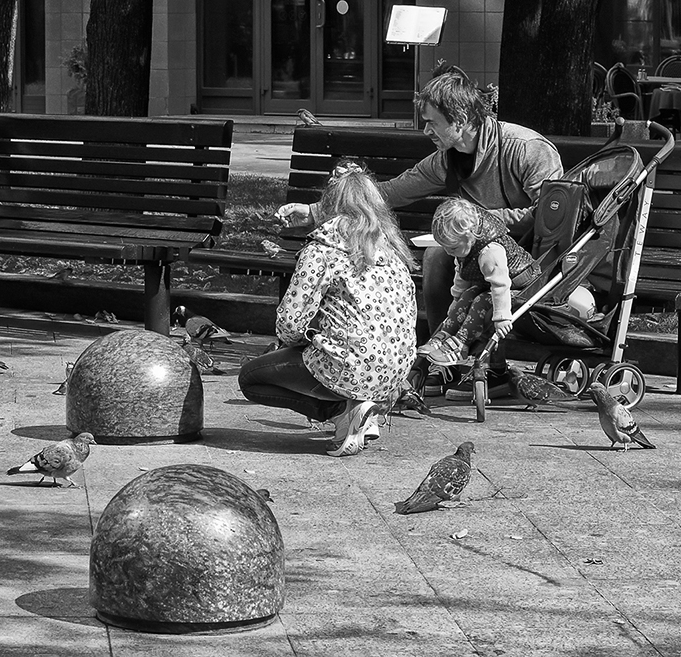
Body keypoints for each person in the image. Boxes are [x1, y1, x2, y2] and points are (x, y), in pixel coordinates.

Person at [279, 62, 563, 400]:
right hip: (477, 252)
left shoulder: (526, 149)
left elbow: (548, 215)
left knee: (453, 257)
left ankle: (482, 364)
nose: (426, 130)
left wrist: (480, 221)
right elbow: (390, 192)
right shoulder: (448, 157)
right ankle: (444, 357)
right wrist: (314, 212)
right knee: (436, 256)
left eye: (432, 122)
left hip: (529, 261)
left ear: (460, 119)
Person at [238, 158, 417, 457]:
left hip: (349, 366)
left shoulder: (322, 250)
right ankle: (364, 410)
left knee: (250, 378)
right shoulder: (393, 251)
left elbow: (290, 324)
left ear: (327, 206)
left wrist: (301, 340)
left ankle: (343, 413)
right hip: (396, 372)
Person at [415, 197, 539, 368]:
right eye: (445, 247)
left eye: (453, 248)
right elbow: (462, 273)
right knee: (467, 295)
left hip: (521, 286)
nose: (449, 252)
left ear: (470, 235)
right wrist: (456, 301)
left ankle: (461, 344)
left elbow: (500, 285)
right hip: (490, 283)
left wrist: (502, 317)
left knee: (481, 301)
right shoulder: (463, 247)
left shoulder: (490, 252)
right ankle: (444, 335)